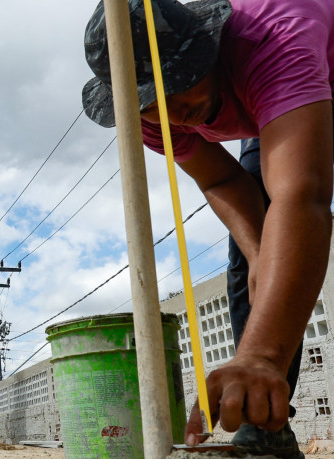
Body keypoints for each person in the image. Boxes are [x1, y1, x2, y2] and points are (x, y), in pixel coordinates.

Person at [82, 0, 333, 456]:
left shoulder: (272, 41)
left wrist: (261, 356)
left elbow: (304, 197)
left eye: (180, 84)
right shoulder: (151, 117)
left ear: (207, 48)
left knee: (289, 219)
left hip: (311, 71)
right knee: (255, 258)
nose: (175, 113)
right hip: (271, 108)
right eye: (152, 102)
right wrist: (259, 255)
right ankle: (265, 424)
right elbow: (221, 180)